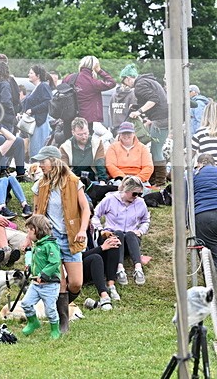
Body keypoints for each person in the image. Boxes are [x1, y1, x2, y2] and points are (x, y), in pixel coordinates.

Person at [30, 145, 91, 333]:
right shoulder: (40, 185)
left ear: (54, 161)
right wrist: (29, 238)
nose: (40, 165)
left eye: (43, 161)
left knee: (76, 283)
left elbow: (85, 209)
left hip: (71, 238)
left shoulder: (73, 182)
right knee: (61, 282)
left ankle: (54, 307)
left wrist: (82, 230)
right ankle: (62, 322)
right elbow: (36, 213)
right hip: (51, 241)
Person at [92, 176, 150, 286]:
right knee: (118, 233)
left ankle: (138, 268)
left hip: (130, 240)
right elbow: (95, 215)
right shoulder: (110, 199)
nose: (137, 197)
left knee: (130, 234)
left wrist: (141, 231)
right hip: (112, 238)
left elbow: (146, 220)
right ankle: (119, 268)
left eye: (139, 194)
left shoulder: (140, 203)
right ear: (126, 190)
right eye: (135, 193)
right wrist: (100, 229)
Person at [120, 63, 169, 187]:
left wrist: (138, 112)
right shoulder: (147, 80)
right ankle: (155, 181)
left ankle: (159, 183)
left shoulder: (140, 85)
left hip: (160, 120)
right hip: (162, 119)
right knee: (155, 150)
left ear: (128, 78)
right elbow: (153, 99)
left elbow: (154, 100)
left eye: (125, 82)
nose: (127, 85)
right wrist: (137, 106)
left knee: (156, 150)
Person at [20, 214, 62, 340]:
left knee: (50, 309)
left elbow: (55, 262)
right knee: (26, 303)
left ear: (37, 230)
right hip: (36, 284)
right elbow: (34, 258)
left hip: (50, 285)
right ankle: (33, 322)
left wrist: (43, 274)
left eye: (29, 231)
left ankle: (55, 329)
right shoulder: (37, 244)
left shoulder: (50, 245)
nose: (27, 234)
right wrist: (28, 265)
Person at [65, 56, 115, 129]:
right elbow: (112, 82)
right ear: (94, 67)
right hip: (86, 121)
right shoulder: (93, 83)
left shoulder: (69, 78)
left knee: (69, 140)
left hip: (68, 118)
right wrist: (99, 71)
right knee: (85, 139)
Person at [60, 117, 108, 182]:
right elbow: (64, 168)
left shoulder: (97, 143)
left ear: (88, 130)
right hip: (73, 180)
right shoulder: (65, 147)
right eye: (80, 134)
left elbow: (100, 163)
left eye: (85, 133)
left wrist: (102, 180)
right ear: (73, 132)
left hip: (93, 179)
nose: (84, 137)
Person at [21, 65, 54, 158]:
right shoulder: (37, 87)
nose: (29, 74)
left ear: (38, 75)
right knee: (34, 149)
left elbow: (48, 102)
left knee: (38, 150)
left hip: (40, 123)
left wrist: (32, 110)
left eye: (31, 73)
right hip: (34, 123)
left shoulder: (43, 86)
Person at [193, 153, 217, 265]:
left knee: (209, 257)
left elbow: (186, 200)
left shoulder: (193, 174)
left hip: (204, 215)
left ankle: (211, 281)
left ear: (199, 164)